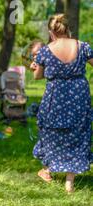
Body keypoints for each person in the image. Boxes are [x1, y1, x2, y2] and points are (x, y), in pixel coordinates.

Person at [30, 14, 93, 193]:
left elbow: (38, 76)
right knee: (78, 131)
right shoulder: (83, 46)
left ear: (51, 32)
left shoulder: (45, 51)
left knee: (52, 131)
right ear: (67, 29)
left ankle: (48, 169)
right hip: (79, 95)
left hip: (55, 95)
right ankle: (69, 183)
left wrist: (35, 68)